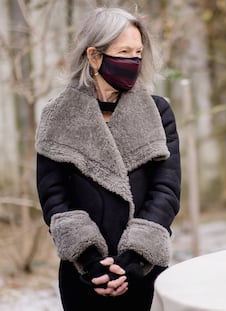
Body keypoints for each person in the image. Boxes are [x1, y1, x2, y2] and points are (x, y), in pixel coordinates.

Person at [35, 7, 181, 311]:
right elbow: (54, 197)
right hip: (83, 274)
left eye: (138, 52)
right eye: (124, 52)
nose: (134, 61)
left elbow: (166, 190)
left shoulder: (157, 112)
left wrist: (134, 259)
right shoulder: (57, 116)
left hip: (144, 271)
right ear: (94, 56)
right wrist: (90, 261)